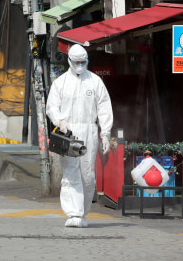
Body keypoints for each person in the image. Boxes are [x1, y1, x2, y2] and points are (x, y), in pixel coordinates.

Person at [46, 44, 113, 228]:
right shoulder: (60, 83)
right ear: (70, 61)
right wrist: (60, 121)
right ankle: (73, 213)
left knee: (87, 174)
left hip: (89, 131)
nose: (80, 65)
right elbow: (52, 106)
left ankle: (82, 212)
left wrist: (105, 133)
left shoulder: (95, 81)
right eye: (77, 62)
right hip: (69, 132)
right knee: (70, 172)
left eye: (84, 62)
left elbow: (104, 107)